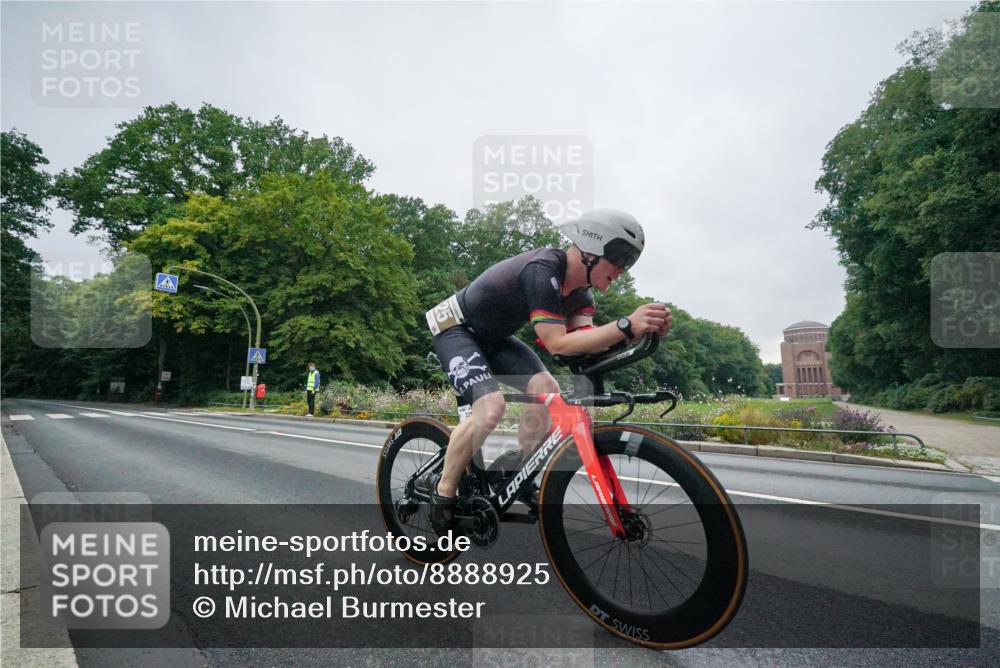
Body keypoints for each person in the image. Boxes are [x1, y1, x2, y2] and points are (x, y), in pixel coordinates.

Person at [425, 209, 671, 533]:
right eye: (620, 258)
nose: (622, 270)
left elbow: (584, 342)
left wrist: (636, 332)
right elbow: (557, 343)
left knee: (547, 390)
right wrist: (626, 324)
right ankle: (443, 496)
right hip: (456, 330)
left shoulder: (581, 294)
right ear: (590, 248)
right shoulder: (543, 269)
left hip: (495, 338)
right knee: (490, 407)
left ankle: (517, 472)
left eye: (629, 262)